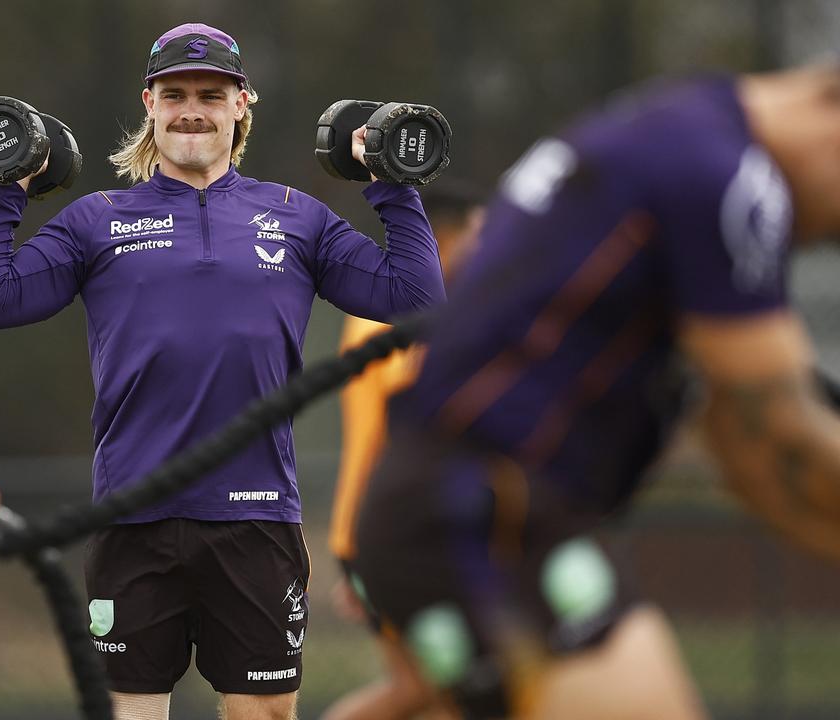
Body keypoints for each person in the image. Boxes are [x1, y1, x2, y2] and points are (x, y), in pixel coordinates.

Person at [0, 21, 445, 720]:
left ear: (242, 103)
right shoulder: (98, 220)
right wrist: (8, 188)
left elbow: (417, 298)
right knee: (131, 711)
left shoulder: (296, 218)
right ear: (148, 103)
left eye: (211, 94)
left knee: (265, 713)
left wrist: (393, 184)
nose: (192, 108)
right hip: (132, 517)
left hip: (256, 518)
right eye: (175, 92)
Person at [348, 59, 840, 720]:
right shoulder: (726, 174)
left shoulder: (668, 131)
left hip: (487, 515)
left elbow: (749, 450)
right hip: (476, 515)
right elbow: (784, 427)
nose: (826, 233)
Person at [324, 180, 486, 720]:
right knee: (428, 687)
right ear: (443, 240)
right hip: (391, 527)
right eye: (476, 236)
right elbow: (419, 415)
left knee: (444, 691)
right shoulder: (399, 314)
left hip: (398, 527)